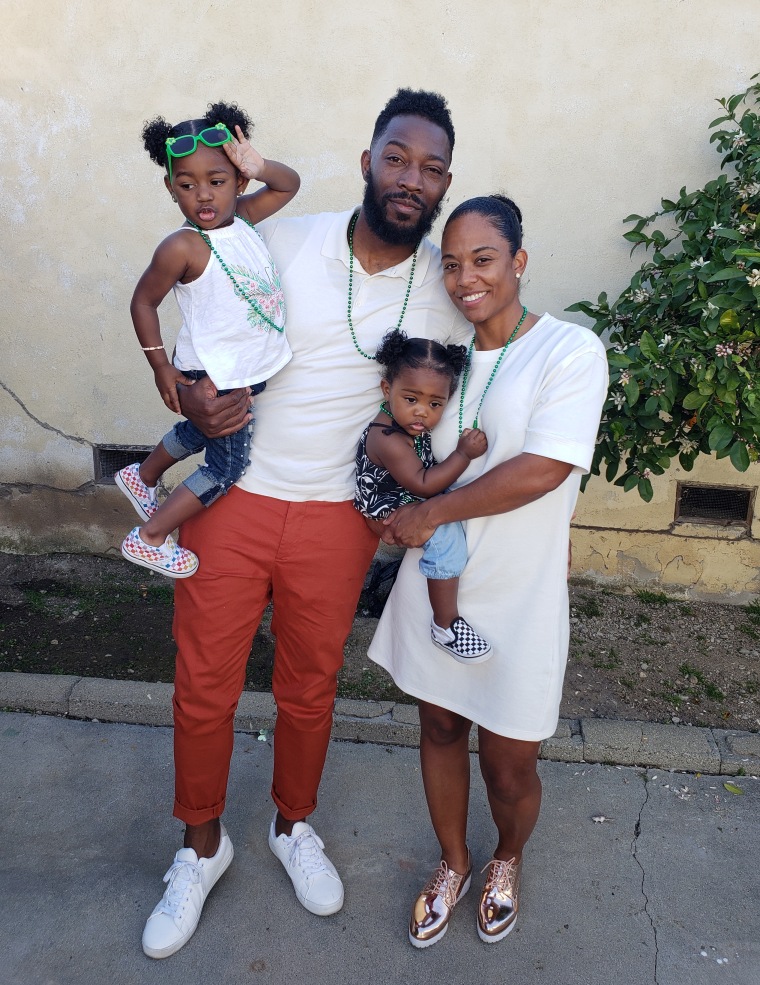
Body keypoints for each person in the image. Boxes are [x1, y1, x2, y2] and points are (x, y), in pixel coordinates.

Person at [140, 89, 470, 960]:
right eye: (397, 158)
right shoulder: (282, 234)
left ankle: (292, 826)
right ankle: (201, 846)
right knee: (204, 683)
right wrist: (190, 394)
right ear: (368, 163)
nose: (412, 178)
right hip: (233, 500)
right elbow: (190, 309)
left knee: (310, 688)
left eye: (432, 168)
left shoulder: (443, 286)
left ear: (443, 185)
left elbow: (485, 371)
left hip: (338, 519)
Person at [368, 194, 608, 948]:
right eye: (451, 262)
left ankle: (507, 855)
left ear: (519, 263)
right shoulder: (447, 353)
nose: (465, 277)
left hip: (522, 591)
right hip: (438, 586)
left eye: (483, 259)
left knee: (510, 763)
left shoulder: (569, 351)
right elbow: (396, 425)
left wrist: (431, 513)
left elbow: (542, 469)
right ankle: (453, 860)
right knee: (439, 724)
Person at [116, 102, 298, 578]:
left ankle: (143, 474)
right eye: (186, 184)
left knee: (201, 431)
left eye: (216, 181)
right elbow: (142, 302)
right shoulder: (184, 245)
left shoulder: (243, 218)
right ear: (170, 187)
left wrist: (259, 166)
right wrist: (161, 367)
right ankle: (150, 537)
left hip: (243, 365)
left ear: (239, 180)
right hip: (216, 373)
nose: (203, 196)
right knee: (225, 467)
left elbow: (288, 183)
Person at [354, 330, 492, 662]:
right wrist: (463, 454)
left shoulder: (404, 425)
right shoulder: (388, 438)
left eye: (435, 404)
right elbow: (423, 485)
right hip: (388, 509)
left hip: (404, 496)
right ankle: (445, 624)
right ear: (387, 390)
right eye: (411, 399)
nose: (422, 413)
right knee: (445, 535)